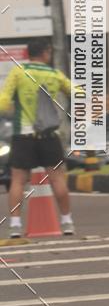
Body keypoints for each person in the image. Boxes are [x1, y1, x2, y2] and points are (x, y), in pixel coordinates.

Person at [0, 38, 75, 237]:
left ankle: (15, 225)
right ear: (46, 53)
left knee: (18, 180)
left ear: (27, 54)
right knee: (57, 179)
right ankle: (67, 222)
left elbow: (3, 100)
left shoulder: (18, 72)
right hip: (49, 135)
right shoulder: (54, 74)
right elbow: (76, 92)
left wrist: (9, 108)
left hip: (23, 134)